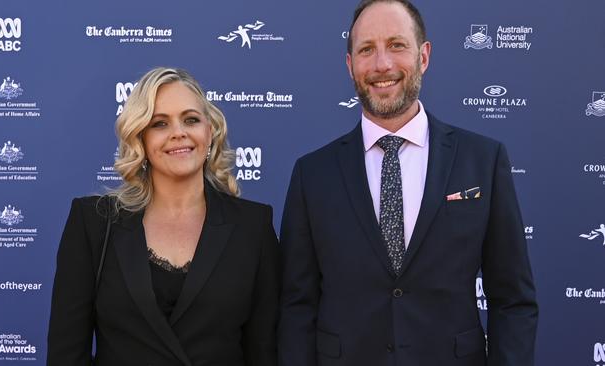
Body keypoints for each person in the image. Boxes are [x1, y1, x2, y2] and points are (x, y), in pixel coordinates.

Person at [278, 1, 538, 365]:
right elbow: (296, 306)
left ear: (424, 56)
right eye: (366, 49)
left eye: (397, 45)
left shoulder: (482, 160)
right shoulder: (312, 174)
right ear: (350, 65)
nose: (382, 64)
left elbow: (513, 300)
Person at [47, 67, 279, 366]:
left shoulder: (253, 227)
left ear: (210, 132)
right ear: (140, 138)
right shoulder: (93, 222)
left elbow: (264, 352)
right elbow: (66, 355)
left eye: (191, 119)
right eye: (160, 123)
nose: (178, 132)